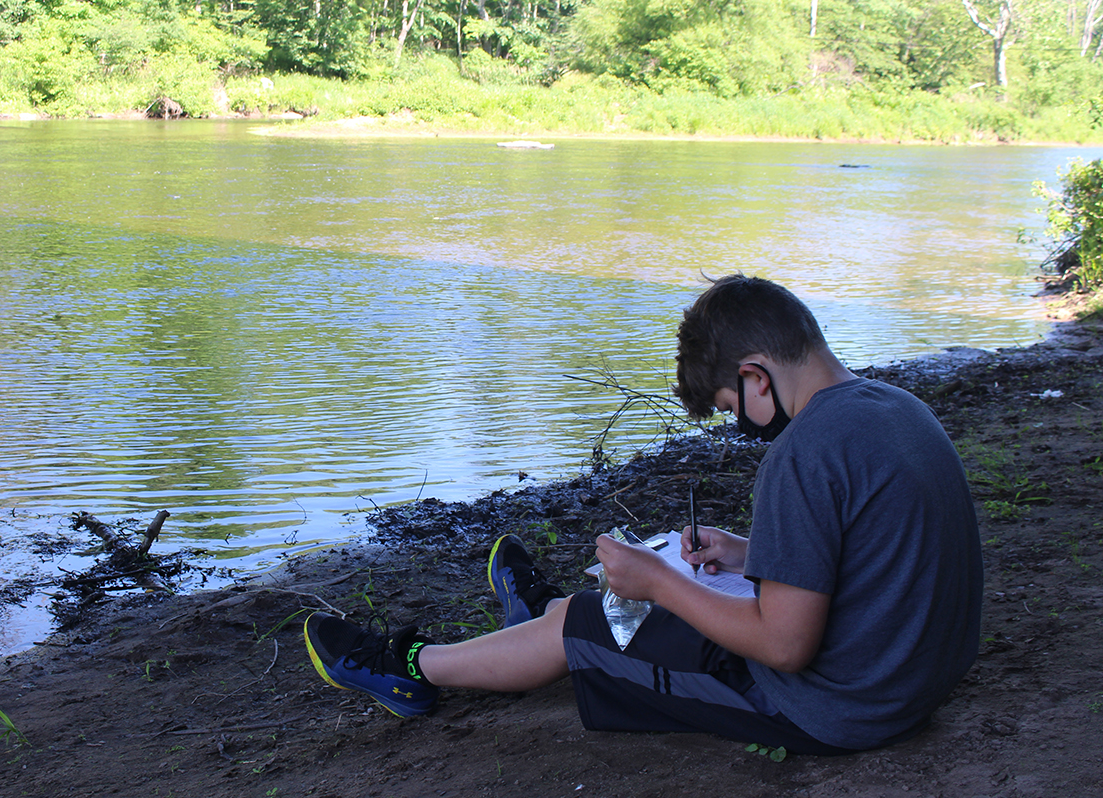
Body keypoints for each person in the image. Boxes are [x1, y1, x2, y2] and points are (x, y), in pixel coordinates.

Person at [304, 274, 983, 754]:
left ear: (755, 376)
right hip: (907, 679)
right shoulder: (898, 409)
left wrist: (663, 584)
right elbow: (880, 546)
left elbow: (784, 646)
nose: (739, 423)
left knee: (592, 624)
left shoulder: (804, 454)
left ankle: (415, 668)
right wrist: (748, 553)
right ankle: (537, 618)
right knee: (636, 605)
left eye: (727, 406)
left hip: (834, 709)